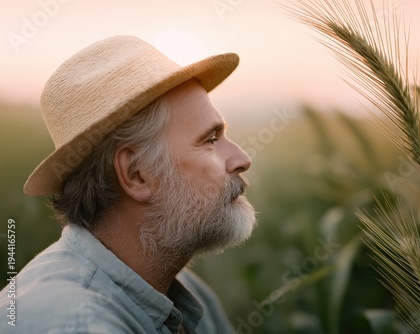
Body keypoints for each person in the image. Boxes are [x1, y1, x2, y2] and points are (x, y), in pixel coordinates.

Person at [0, 35, 257, 333]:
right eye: (210, 140)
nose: (241, 158)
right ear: (137, 173)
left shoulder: (186, 292)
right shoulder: (77, 324)